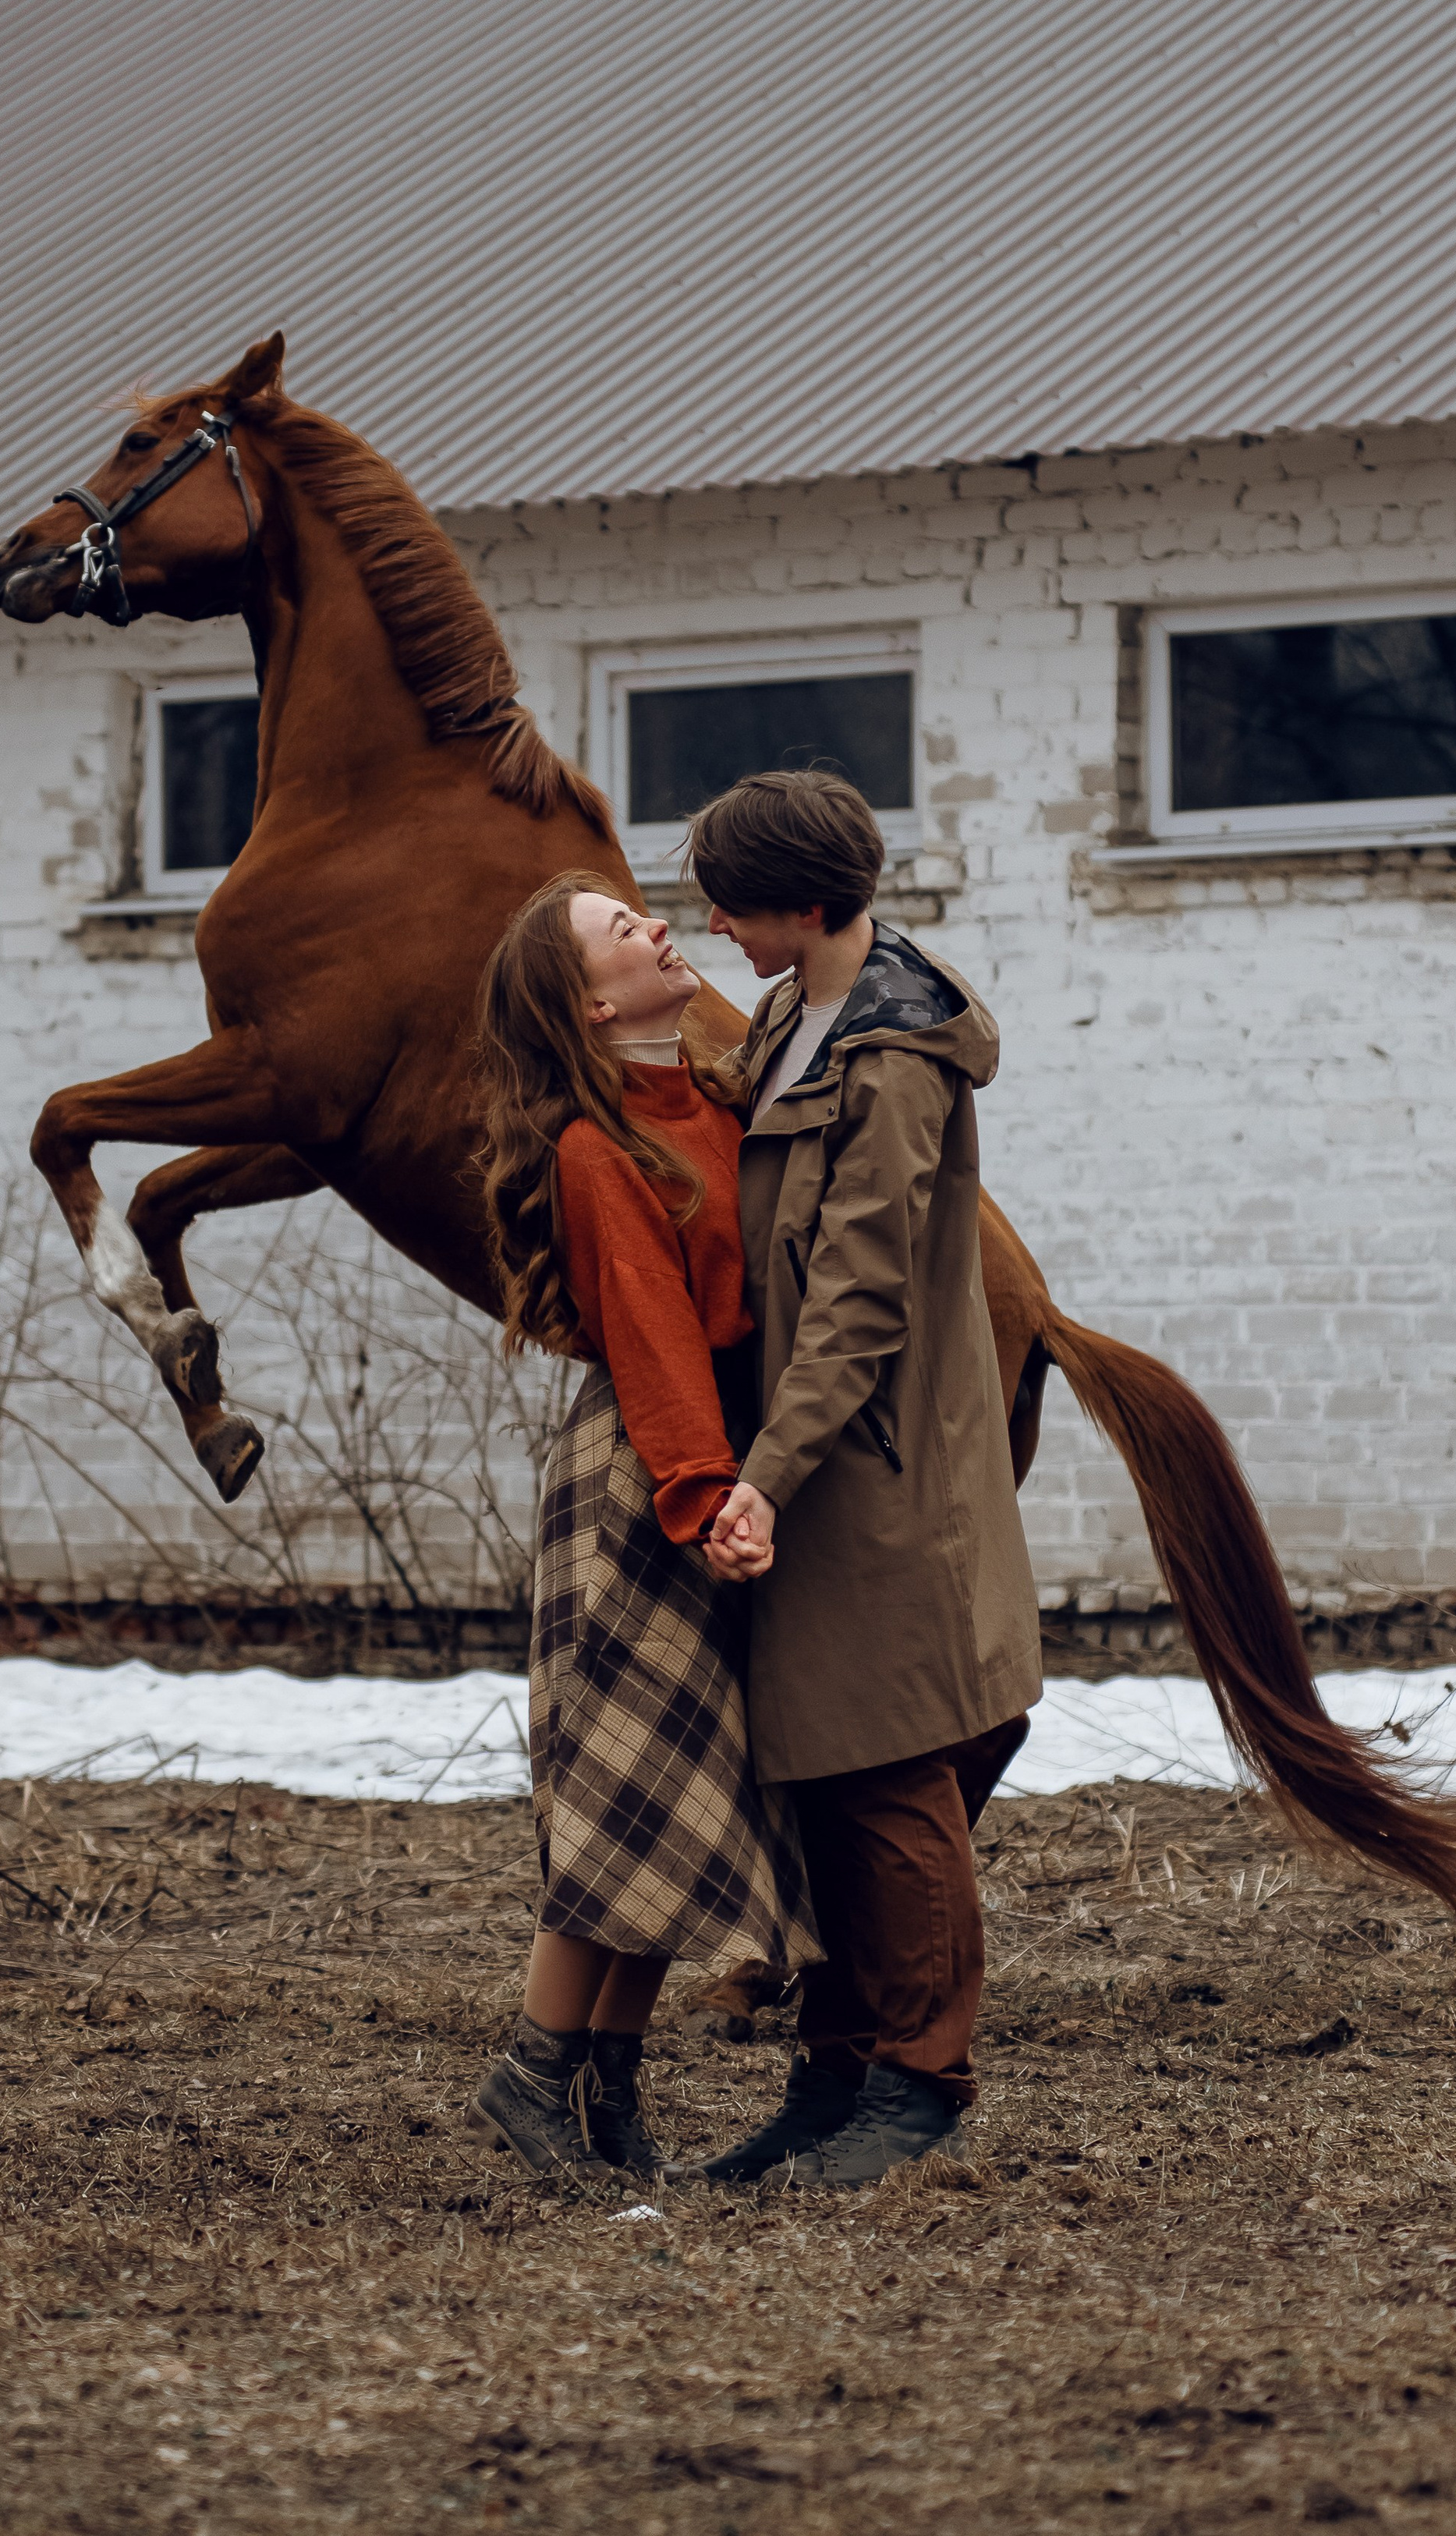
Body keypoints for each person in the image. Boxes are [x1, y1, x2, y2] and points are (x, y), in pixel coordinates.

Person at [677, 769, 1043, 2191]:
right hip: (822, 1457)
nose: (712, 922)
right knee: (822, 1781)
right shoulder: (794, 1015)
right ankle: (833, 2077)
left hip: (867, 1467)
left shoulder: (890, 1056)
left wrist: (766, 1475)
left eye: (733, 897)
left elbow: (860, 1299)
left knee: (891, 1776)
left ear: (805, 901)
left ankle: (923, 2080)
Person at [469, 871, 821, 2180]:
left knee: (677, 1800)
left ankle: (608, 2096)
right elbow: (654, 1332)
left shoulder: (717, 1103)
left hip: (717, 1473)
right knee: (624, 1795)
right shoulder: (595, 1144)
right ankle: (530, 2079)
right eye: (624, 929)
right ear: (588, 998)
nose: (657, 924)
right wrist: (699, 1496)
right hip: (646, 1482)